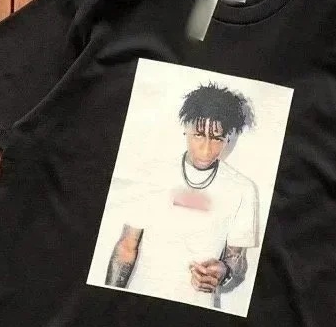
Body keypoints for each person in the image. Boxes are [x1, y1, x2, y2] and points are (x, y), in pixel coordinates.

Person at [105, 82, 260, 310]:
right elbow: (126, 247)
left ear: (228, 137)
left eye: (217, 138)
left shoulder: (243, 189)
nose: (206, 149)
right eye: (199, 135)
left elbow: (236, 261)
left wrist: (224, 270)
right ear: (186, 128)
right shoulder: (152, 175)